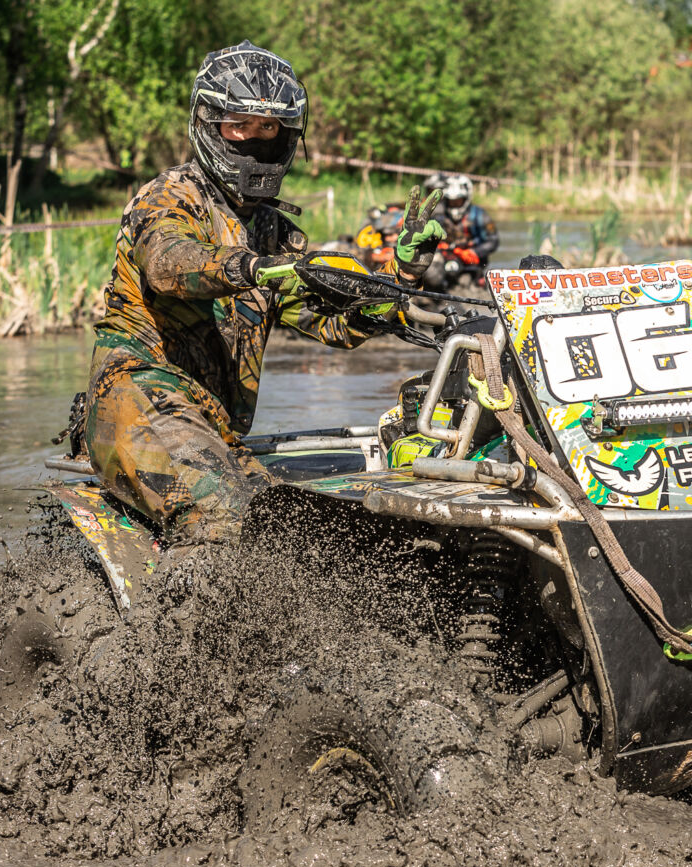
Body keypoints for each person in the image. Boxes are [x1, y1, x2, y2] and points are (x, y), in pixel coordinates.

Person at [83, 40, 444, 546]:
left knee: (290, 533)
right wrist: (254, 267)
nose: (254, 140)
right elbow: (168, 264)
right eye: (240, 126)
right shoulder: (170, 196)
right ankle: (180, 602)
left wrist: (398, 279)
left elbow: (331, 323)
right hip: (138, 399)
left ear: (287, 135)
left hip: (216, 428)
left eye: (268, 128)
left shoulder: (275, 231)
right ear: (210, 125)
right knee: (228, 520)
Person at [421, 172, 499, 291]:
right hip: (444, 257)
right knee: (431, 274)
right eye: (451, 201)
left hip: (471, 262)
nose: (454, 204)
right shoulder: (438, 214)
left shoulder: (479, 215)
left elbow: (493, 240)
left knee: (471, 282)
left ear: (466, 198)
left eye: (458, 201)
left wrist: (475, 252)